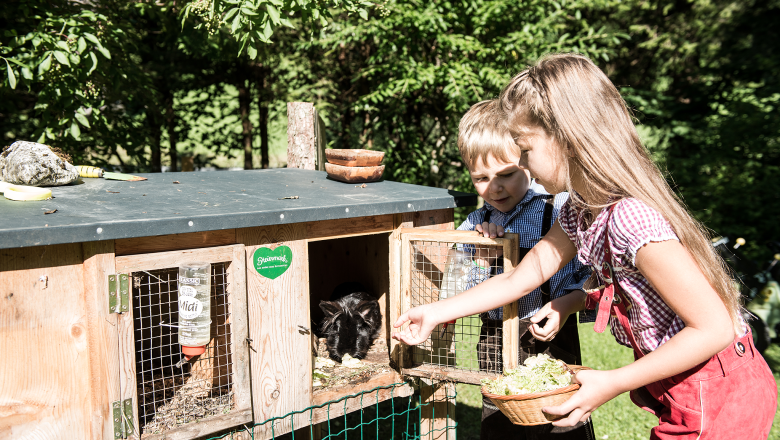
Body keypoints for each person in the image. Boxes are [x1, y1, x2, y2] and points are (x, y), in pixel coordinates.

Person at [393, 53, 777, 439]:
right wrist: (437, 312)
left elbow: (715, 328)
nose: (526, 164)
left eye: (525, 150)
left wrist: (614, 381)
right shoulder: (580, 211)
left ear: (568, 138)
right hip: (686, 385)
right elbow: (519, 280)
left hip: (718, 388)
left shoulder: (628, 216)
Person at [455, 99, 594, 440]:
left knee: (562, 419)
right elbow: (455, 291)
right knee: (501, 421)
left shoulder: (557, 209)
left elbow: (590, 281)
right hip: (495, 336)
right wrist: (483, 256)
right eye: (481, 178)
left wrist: (564, 305)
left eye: (506, 174)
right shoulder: (475, 224)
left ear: (527, 162)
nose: (495, 187)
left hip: (550, 330)